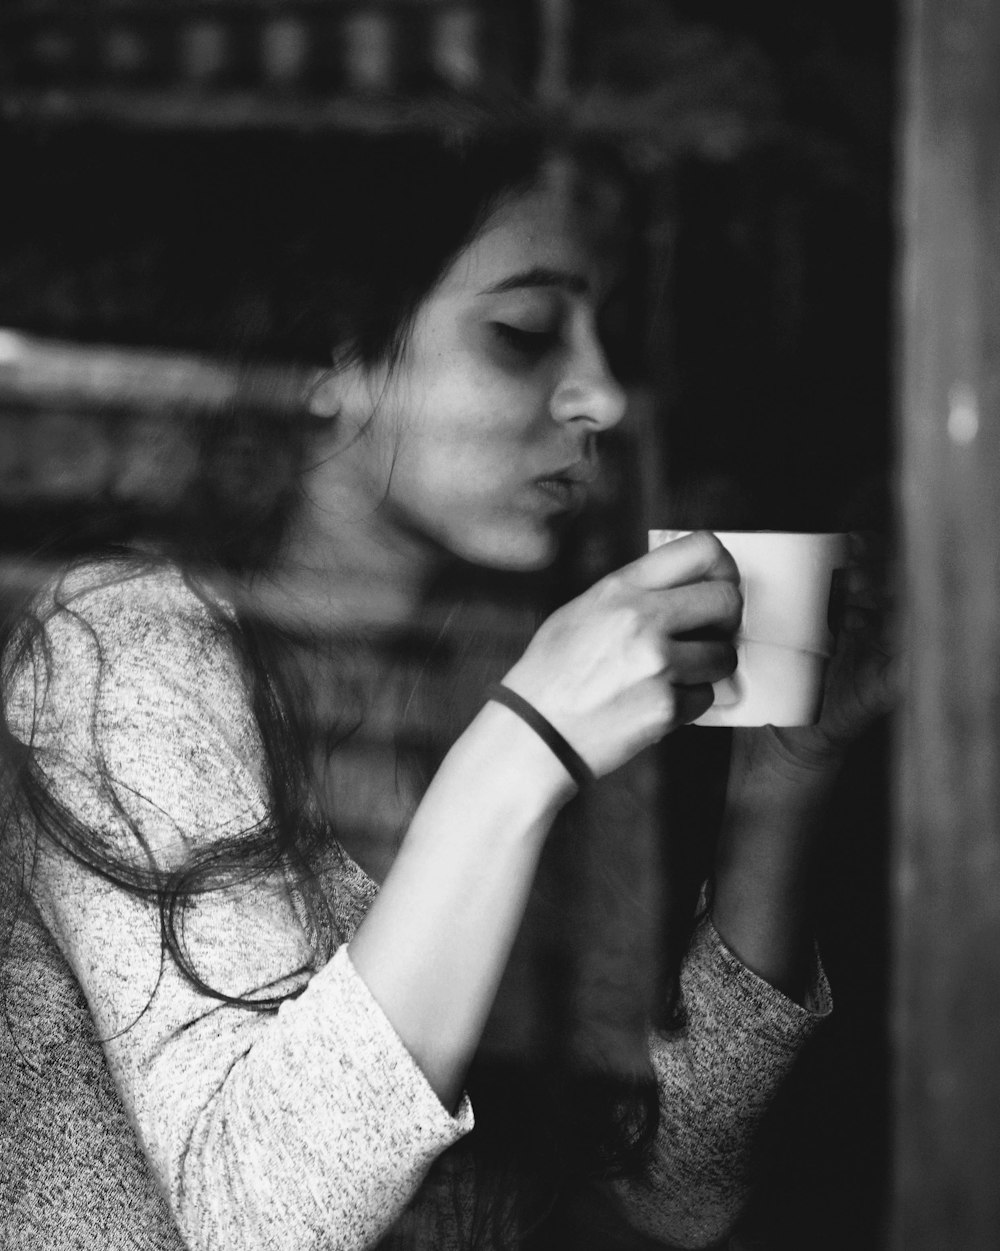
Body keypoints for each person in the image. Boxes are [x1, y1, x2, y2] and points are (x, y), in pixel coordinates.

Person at [0, 115, 893, 1251]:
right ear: (329, 358)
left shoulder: (514, 662)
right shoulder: (121, 643)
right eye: (523, 334)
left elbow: (673, 1197)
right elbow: (256, 1221)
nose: (602, 398)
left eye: (606, 336)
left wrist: (778, 792)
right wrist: (526, 751)